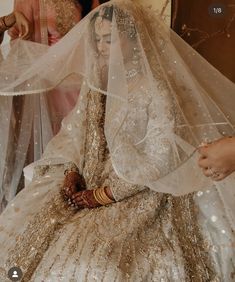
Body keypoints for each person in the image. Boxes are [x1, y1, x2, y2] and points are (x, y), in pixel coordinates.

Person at [0, 1, 234, 281]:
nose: (100, 47)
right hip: (90, 176)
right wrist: (72, 170)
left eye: (109, 40)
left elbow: (160, 159)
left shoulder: (155, 89)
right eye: (97, 39)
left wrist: (103, 195)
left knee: (101, 261)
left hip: (137, 187)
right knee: (21, 228)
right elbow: (74, 129)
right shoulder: (97, 80)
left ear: (134, 40)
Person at [0, 0, 102, 212]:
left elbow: (96, 33)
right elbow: (23, 44)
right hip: (47, 86)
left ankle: (79, 198)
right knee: (51, 145)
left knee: (81, 143)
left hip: (81, 77)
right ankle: (48, 206)